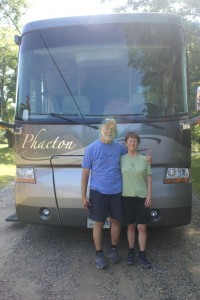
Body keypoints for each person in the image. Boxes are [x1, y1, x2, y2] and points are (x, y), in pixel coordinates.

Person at [81, 118, 126, 270]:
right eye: (107, 128)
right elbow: (86, 173)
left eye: (112, 128)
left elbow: (129, 162)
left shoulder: (120, 148)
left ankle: (113, 249)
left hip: (116, 191)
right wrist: (83, 195)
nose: (109, 131)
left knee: (116, 221)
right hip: (98, 191)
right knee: (98, 223)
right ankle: (99, 253)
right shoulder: (91, 148)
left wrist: (146, 161)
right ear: (101, 129)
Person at [120, 131, 152, 269]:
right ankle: (131, 251)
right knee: (131, 226)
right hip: (127, 196)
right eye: (130, 141)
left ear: (138, 144)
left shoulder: (145, 159)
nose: (132, 143)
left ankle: (143, 254)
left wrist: (149, 195)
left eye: (135, 141)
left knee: (142, 227)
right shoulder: (121, 159)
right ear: (125, 143)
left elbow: (149, 177)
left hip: (142, 197)